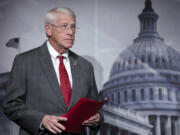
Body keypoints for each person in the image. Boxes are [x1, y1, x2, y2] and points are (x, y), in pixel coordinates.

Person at [2, 7, 103, 135]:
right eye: (64, 26)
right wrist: (41, 120)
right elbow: (11, 105)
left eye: (73, 27)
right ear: (48, 29)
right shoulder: (25, 61)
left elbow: (93, 107)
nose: (70, 32)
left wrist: (97, 118)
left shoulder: (85, 66)